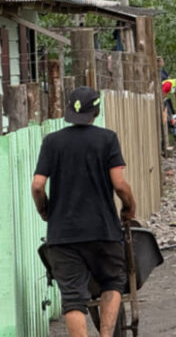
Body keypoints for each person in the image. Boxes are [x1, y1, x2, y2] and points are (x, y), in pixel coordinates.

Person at [31, 87, 136, 337]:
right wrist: (130, 206)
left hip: (62, 234)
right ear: (96, 111)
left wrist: (45, 209)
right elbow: (119, 184)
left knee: (72, 297)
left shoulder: (52, 142)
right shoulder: (107, 139)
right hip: (103, 230)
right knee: (113, 281)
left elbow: (37, 185)